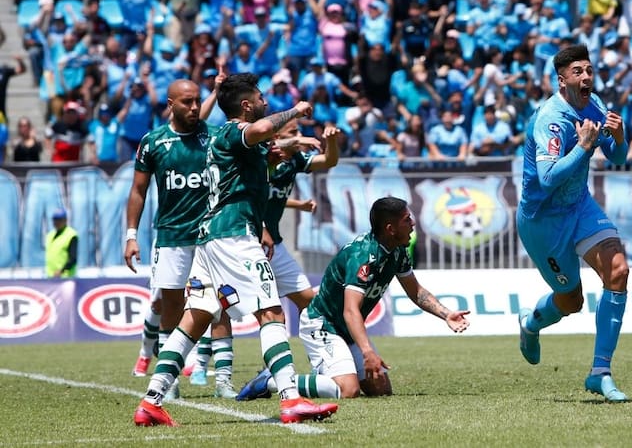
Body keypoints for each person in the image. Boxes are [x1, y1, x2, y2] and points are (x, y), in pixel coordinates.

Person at [133, 73, 338, 426]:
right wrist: (296, 111)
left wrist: (287, 148)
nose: (265, 103)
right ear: (246, 106)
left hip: (208, 238)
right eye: (260, 98)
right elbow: (257, 133)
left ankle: (151, 401)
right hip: (233, 235)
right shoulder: (231, 131)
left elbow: (260, 156)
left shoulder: (227, 142)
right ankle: (291, 399)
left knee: (194, 320)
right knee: (271, 311)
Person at [241, 197, 470, 401]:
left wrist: (445, 314)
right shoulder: (362, 255)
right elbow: (351, 311)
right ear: (390, 228)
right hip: (322, 325)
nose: (412, 224)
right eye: (407, 220)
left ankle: (327, 372)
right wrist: (368, 352)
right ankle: (271, 381)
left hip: (347, 329)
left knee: (380, 389)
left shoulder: (398, 251)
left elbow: (416, 292)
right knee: (348, 390)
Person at [516, 44, 631, 402]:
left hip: (579, 205)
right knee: (571, 301)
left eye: (589, 70)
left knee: (618, 271)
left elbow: (617, 158)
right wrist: (582, 148)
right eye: (577, 72)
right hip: (542, 221)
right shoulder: (551, 118)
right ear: (561, 79)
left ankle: (600, 372)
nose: (586, 77)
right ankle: (531, 322)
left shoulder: (595, 104)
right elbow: (548, 177)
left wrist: (619, 136)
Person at [125, 80, 235, 400]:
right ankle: (169, 381)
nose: (194, 107)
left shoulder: (213, 137)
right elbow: (138, 191)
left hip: (211, 236)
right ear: (171, 105)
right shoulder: (153, 142)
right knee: (170, 306)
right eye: (186, 102)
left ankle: (224, 380)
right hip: (171, 237)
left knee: (221, 304)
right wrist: (131, 235)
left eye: (197, 101)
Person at [236, 120, 343, 401]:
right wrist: (262, 228)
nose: (298, 136)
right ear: (276, 136)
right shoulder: (258, 157)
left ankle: (315, 363)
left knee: (309, 303)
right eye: (293, 133)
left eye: (298, 132)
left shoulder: (293, 160)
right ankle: (202, 368)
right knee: (230, 310)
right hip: (248, 241)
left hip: (275, 246)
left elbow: (329, 161)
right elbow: (245, 198)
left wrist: (330, 140)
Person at [45, 208, 78, 278]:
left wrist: (62, 270)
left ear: (65, 220)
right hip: (50, 277)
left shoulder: (71, 235)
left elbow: (73, 258)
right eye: (55, 220)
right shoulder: (50, 235)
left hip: (65, 277)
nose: (57, 222)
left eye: (59, 220)